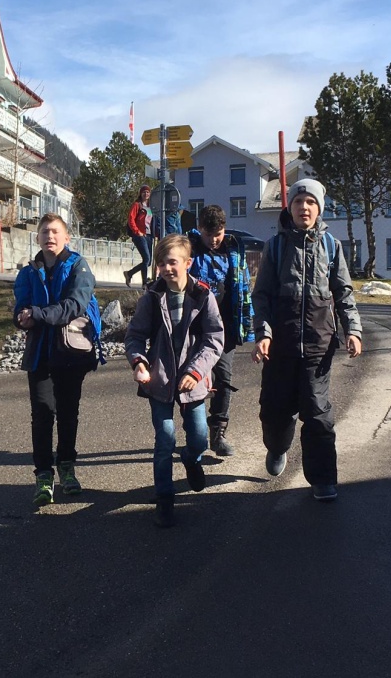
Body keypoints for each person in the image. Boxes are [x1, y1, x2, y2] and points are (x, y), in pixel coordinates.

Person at [251, 178, 363, 502]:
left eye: (311, 202)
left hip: (318, 345)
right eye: (299, 202)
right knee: (275, 410)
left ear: (319, 209)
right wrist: (264, 333)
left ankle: (323, 479)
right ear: (290, 207)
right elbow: (262, 296)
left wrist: (353, 330)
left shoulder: (331, 246)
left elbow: (344, 293)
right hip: (280, 347)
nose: (304, 207)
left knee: (317, 413)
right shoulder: (275, 247)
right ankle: (277, 446)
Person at [125, 233, 225, 528]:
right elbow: (134, 336)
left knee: (199, 437)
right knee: (165, 439)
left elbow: (214, 339)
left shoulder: (204, 296)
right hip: (159, 380)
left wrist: (195, 372)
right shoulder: (152, 298)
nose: (166, 268)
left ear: (187, 263)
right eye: (161, 263)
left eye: (172, 262)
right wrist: (139, 362)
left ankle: (192, 460)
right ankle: (165, 498)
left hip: (193, 381)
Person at [14, 213, 99, 506]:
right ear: (38, 237)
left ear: (66, 238)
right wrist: (21, 317)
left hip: (71, 353)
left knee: (67, 412)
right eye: (44, 232)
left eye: (55, 232)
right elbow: (20, 305)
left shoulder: (78, 266)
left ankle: (67, 467)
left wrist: (37, 314)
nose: (49, 236)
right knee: (41, 413)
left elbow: (75, 305)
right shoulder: (28, 271)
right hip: (40, 352)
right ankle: (43, 475)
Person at [188, 205, 254, 457]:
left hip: (226, 328)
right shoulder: (189, 249)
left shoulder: (234, 249)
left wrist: (248, 325)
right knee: (193, 379)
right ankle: (194, 432)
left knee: (224, 379)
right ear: (200, 229)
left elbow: (244, 284)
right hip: (194, 329)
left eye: (218, 234)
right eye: (209, 235)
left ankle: (218, 433)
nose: (214, 240)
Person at [124, 185, 154, 288]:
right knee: (146, 259)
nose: (146, 194)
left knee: (148, 262)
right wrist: (137, 231)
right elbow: (131, 219)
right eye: (144, 192)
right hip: (140, 235)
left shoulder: (151, 206)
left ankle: (129, 273)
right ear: (140, 194)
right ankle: (144, 283)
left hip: (149, 235)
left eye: (148, 192)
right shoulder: (137, 205)